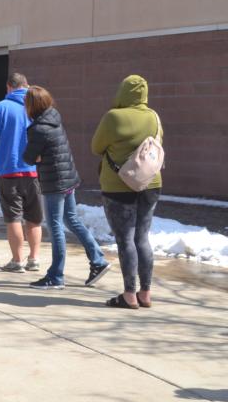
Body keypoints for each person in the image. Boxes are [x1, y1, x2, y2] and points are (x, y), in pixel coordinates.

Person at [24, 86, 111, 290]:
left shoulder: (38, 128)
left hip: (54, 181)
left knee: (55, 226)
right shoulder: (54, 118)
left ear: (31, 105)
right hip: (68, 178)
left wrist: (37, 156)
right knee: (71, 219)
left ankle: (56, 275)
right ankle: (98, 260)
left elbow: (28, 157)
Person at [91, 75, 163, 309]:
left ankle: (129, 294)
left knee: (125, 240)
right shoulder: (153, 116)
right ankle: (146, 292)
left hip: (118, 185)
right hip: (150, 183)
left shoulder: (113, 117)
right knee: (142, 238)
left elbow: (96, 147)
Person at [0, 72, 43, 274]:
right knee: (34, 218)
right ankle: (34, 258)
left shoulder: (0, 108)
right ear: (26, 86)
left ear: (9, 87)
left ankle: (17, 261)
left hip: (8, 170)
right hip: (33, 171)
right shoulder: (37, 107)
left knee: (13, 218)